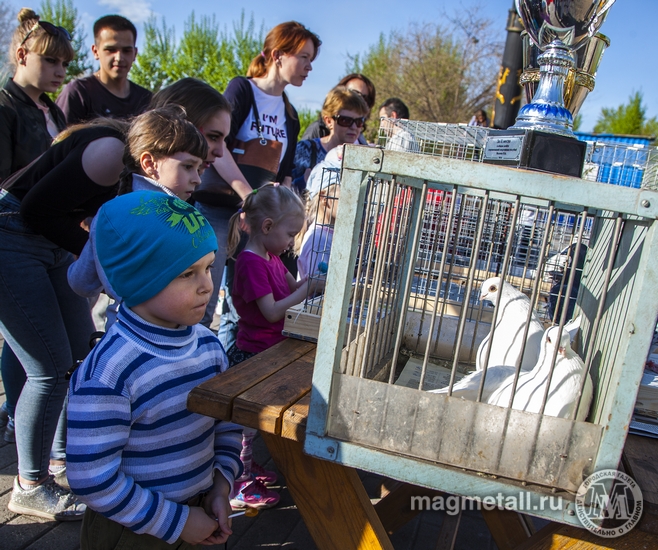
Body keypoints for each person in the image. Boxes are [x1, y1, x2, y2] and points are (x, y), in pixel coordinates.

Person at [67, 191, 244, 549]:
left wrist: (221, 485)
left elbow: (226, 426)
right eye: (186, 273)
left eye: (209, 267)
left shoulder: (209, 348)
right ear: (137, 278)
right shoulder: (110, 372)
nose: (207, 284)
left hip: (201, 511)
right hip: (132, 529)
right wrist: (176, 522)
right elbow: (91, 478)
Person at [194, 21, 321, 334]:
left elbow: (286, 173)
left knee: (242, 307)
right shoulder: (242, 89)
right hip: (220, 210)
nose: (309, 67)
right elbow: (216, 145)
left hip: (260, 223)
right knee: (204, 298)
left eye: (312, 60)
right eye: (303, 57)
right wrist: (247, 194)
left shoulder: (290, 113)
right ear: (278, 55)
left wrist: (287, 215)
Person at [0, 7, 75, 445]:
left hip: (52, 240)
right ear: (22, 55)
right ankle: (24, 447)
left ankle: (53, 444)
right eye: (50, 61)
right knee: (40, 360)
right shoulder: (6, 108)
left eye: (64, 64)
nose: (59, 71)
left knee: (58, 353)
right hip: (15, 236)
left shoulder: (54, 113)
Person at [67, 106, 208, 327]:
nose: (197, 179)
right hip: (173, 335)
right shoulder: (180, 219)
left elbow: (81, 283)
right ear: (149, 163)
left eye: (199, 169)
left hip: (126, 333)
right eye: (188, 166)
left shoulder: (110, 215)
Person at [225, 184, 307, 508]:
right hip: (254, 353)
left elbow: (295, 289)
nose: (292, 242)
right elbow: (272, 310)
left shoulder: (273, 257)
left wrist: (314, 284)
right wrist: (308, 289)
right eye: (290, 234)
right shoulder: (251, 262)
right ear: (268, 226)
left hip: (271, 350)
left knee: (255, 424)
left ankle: (244, 467)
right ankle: (236, 482)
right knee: (245, 425)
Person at [56, 14, 151, 124]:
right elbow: (61, 139)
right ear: (95, 51)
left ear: (135, 53)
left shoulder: (146, 99)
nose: (119, 58)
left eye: (126, 51)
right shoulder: (78, 94)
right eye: (111, 50)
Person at [291, 86, 367, 193]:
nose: (354, 127)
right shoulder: (305, 150)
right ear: (328, 121)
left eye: (359, 121)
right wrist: (303, 182)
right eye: (345, 120)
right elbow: (283, 192)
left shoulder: (365, 159)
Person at [301, 73, 376, 144]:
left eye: (366, 98)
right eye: (354, 93)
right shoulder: (317, 130)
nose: (359, 100)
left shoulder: (360, 138)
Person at [297, 182, 341, 285]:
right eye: (344, 199)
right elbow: (318, 285)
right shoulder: (319, 239)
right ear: (323, 198)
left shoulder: (327, 234)